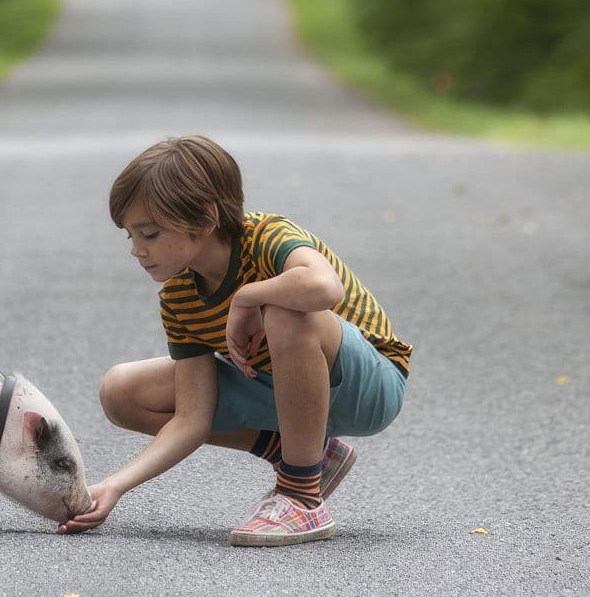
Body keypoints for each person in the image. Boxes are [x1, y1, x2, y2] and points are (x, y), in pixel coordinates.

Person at [59, 135, 413, 546]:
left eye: (150, 234)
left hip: (368, 386)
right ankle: (302, 454)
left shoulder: (267, 237)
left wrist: (249, 296)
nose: (137, 250)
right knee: (120, 391)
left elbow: (324, 287)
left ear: (205, 220)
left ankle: (302, 497)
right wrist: (115, 486)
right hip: (278, 390)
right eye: (130, 236)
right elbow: (192, 420)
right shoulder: (178, 297)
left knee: (284, 310)